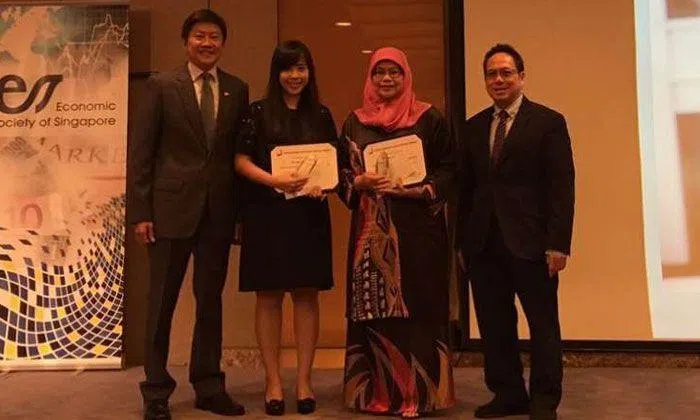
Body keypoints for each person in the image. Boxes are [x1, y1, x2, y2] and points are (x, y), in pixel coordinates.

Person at [128, 9, 249, 420]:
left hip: (218, 213)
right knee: (161, 303)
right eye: (200, 36)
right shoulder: (162, 85)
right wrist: (141, 212)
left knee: (210, 302)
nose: (207, 43)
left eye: (215, 36)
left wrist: (238, 214)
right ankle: (156, 391)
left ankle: (209, 385)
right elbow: (142, 153)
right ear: (186, 41)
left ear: (223, 43)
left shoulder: (236, 89)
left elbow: (234, 155)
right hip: (168, 212)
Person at [455, 44, 575, 420]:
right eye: (491, 74)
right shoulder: (474, 127)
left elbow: (561, 187)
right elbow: (464, 190)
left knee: (543, 325)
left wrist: (558, 244)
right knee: (494, 325)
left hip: (533, 244)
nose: (499, 79)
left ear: (521, 77)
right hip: (483, 244)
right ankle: (508, 394)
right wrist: (461, 243)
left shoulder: (548, 123)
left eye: (506, 72)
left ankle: (543, 400)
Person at [338, 47, 456, 419]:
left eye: (394, 72)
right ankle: (374, 395)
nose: (386, 79)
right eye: (379, 72)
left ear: (406, 76)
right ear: (370, 77)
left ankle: (419, 396)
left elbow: (450, 170)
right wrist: (358, 182)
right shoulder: (354, 122)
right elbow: (341, 176)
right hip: (371, 237)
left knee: (420, 306)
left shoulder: (429, 118)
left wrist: (419, 189)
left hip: (420, 232)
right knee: (374, 311)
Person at [234, 40, 336, 416]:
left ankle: (305, 381)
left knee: (307, 296)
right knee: (269, 297)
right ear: (276, 73)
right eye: (288, 68)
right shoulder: (257, 112)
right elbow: (240, 160)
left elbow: (334, 163)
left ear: (310, 72)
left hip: (308, 215)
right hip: (267, 213)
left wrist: (324, 185)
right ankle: (273, 381)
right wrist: (273, 180)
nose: (295, 76)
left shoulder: (321, 114)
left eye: (301, 68)